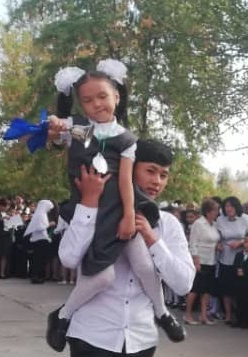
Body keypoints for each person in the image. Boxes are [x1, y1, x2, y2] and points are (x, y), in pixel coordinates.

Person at [57, 150, 195, 357]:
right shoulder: (94, 211)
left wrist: (152, 238)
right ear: (127, 171)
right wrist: (89, 203)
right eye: (150, 171)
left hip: (141, 342)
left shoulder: (167, 224)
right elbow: (68, 258)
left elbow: (184, 283)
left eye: (163, 175)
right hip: (92, 339)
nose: (157, 181)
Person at [47, 62, 176, 336]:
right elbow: (59, 137)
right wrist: (56, 128)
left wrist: (129, 215)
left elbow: (126, 180)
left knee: (144, 265)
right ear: (81, 104)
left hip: (118, 209)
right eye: (87, 100)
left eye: (102, 96)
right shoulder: (83, 129)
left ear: (116, 96)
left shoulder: (126, 139)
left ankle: (162, 312)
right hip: (89, 209)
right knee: (102, 277)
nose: (96, 104)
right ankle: (63, 316)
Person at [216, 196, 248, 324]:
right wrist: (218, 244)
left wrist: (241, 242)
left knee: (238, 289)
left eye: (231, 206)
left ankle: (240, 315)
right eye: (226, 206)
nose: (229, 209)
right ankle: (228, 315)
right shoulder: (220, 220)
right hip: (225, 257)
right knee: (226, 289)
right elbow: (217, 237)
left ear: (237, 207)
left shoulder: (245, 219)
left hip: (241, 257)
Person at [184, 198, 221, 325]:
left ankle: (203, 316)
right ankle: (188, 315)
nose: (217, 212)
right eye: (215, 210)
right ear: (208, 211)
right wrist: (196, 261)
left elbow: (214, 240)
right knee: (195, 289)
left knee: (207, 290)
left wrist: (218, 246)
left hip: (212, 260)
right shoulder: (198, 224)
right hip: (200, 260)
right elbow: (193, 243)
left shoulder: (214, 224)